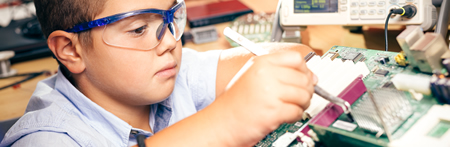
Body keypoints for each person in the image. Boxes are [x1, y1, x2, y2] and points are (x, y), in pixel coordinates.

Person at [0, 0, 317, 146]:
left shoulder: (171, 72)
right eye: (139, 28)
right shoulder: (44, 139)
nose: (169, 41)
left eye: (170, 17)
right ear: (71, 50)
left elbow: (297, 57)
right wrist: (227, 122)